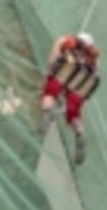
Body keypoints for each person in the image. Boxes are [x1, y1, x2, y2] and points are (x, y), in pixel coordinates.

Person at [39, 32, 102, 166]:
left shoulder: (66, 41)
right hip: (81, 83)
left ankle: (48, 111)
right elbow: (92, 81)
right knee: (74, 113)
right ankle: (79, 130)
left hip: (65, 72)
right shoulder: (94, 59)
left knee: (49, 93)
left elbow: (52, 62)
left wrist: (49, 75)